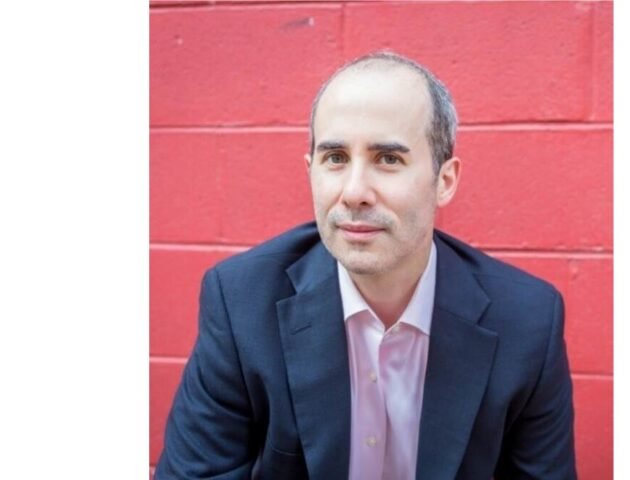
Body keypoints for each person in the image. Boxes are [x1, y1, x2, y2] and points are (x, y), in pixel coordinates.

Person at [155, 51, 576, 479]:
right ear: (311, 172)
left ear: (445, 181)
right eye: (335, 158)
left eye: (388, 159)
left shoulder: (527, 322)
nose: (354, 192)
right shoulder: (242, 304)